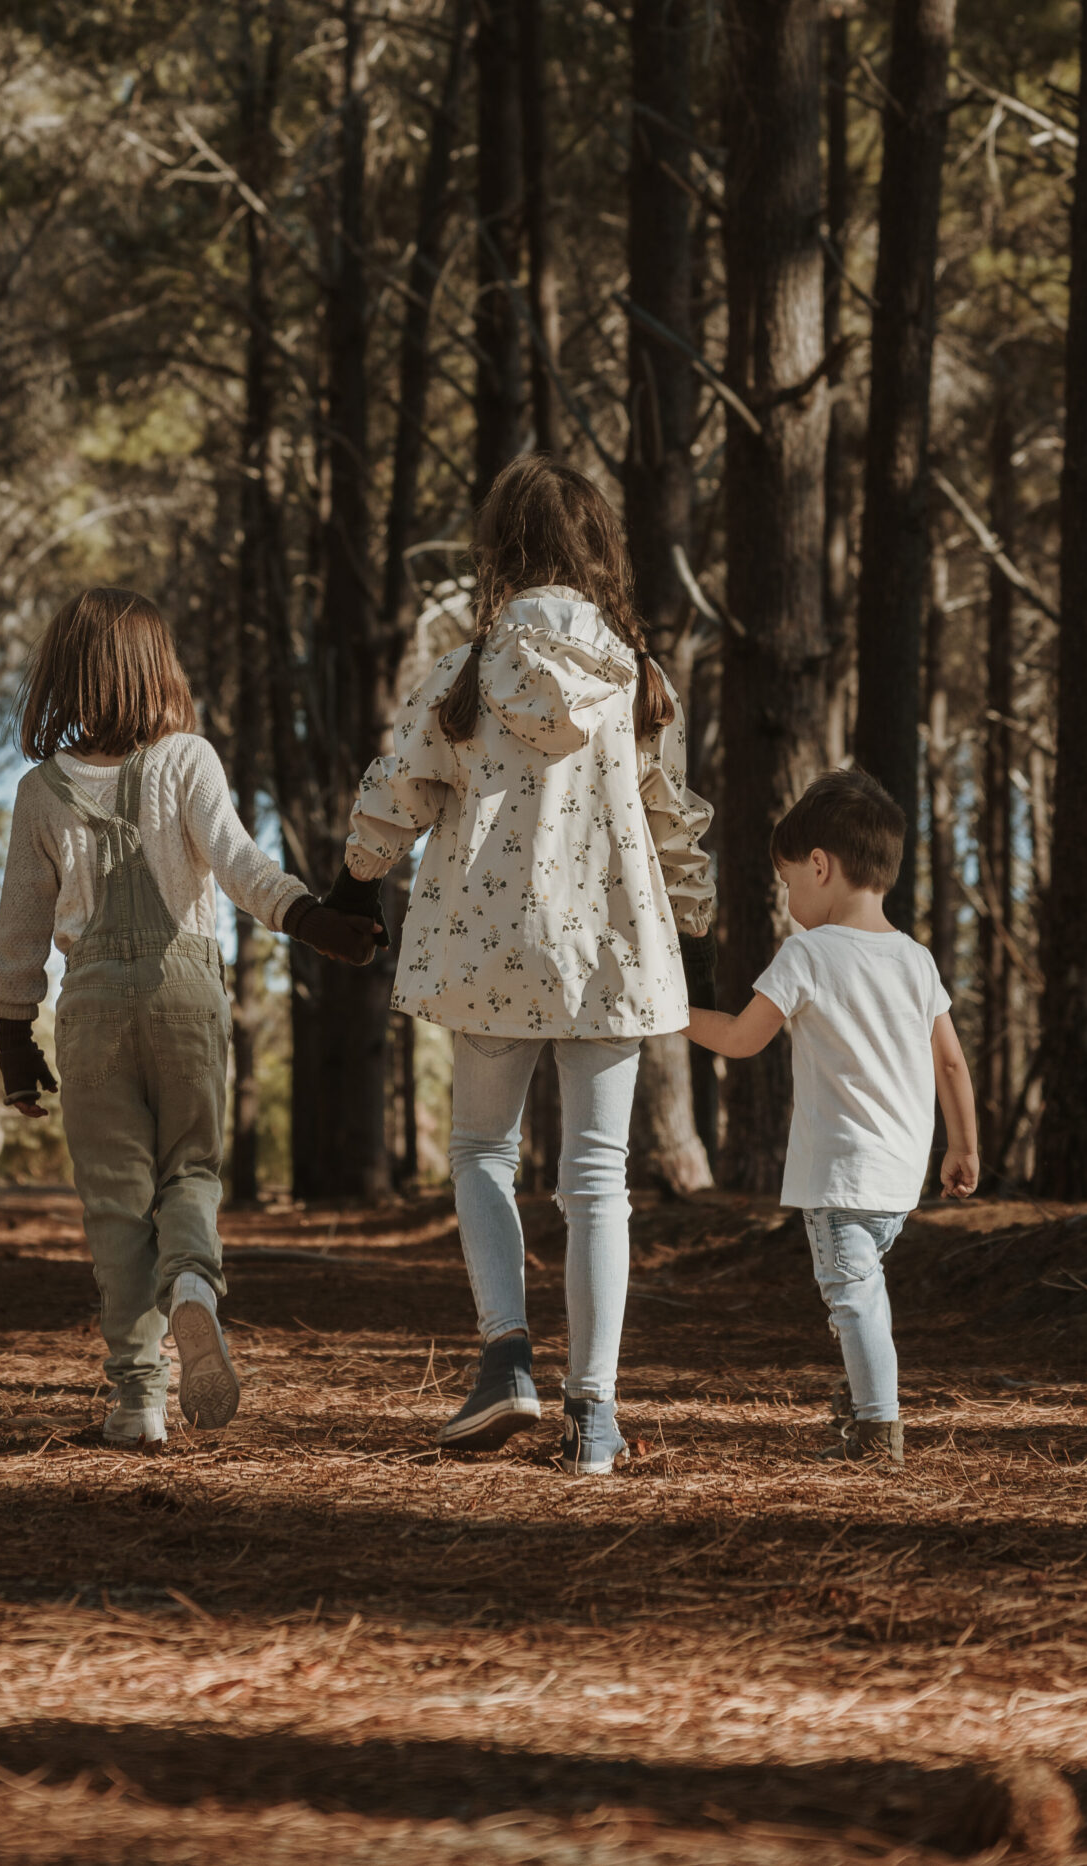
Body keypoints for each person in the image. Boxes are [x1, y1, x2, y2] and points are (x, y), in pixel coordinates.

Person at [316, 455, 716, 1475]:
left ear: (501, 550)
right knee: (598, 1182)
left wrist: (356, 881)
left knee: (486, 1153)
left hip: (495, 949)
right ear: (596, 549)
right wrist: (698, 923)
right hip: (611, 951)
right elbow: (668, 816)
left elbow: (398, 789)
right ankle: (597, 1416)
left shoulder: (467, 672)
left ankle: (507, 1362)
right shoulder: (637, 675)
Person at [0, 587, 380, 1448]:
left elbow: (19, 928)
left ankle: (137, 1398)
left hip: (91, 1010)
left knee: (116, 1206)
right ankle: (195, 1288)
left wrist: (15, 1037)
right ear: (157, 671)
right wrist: (312, 920)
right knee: (191, 1174)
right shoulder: (190, 760)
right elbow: (242, 865)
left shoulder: (40, 792)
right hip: (187, 996)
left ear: (63, 677)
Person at [683, 769, 979, 1464]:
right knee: (860, 1290)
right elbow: (953, 1064)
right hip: (900, 1174)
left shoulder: (807, 954)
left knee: (851, 1296)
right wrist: (963, 1145)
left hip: (841, 1173)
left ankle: (879, 1429)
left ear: (821, 866)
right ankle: (862, 1390)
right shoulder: (916, 959)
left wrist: (668, 1015)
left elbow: (739, 1039)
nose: (787, 900)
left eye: (789, 884)